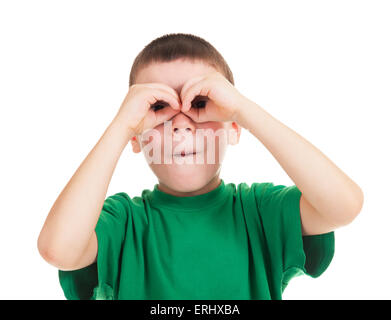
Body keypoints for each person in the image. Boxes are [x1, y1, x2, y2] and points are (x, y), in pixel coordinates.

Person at [37, 33, 364, 300]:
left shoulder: (260, 212)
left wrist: (243, 110)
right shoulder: (124, 223)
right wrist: (121, 126)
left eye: (200, 104)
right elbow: (58, 249)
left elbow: (343, 206)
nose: (181, 126)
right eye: (159, 107)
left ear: (233, 127)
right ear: (137, 138)